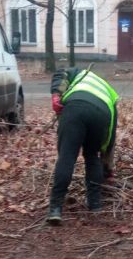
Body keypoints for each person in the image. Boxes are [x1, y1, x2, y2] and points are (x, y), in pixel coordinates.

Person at [46, 67, 119, 225]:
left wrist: (56, 94)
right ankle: (94, 205)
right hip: (101, 115)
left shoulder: (80, 73)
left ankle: (55, 209)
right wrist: (107, 168)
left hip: (74, 109)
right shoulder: (109, 93)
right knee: (92, 156)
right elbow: (111, 135)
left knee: (67, 156)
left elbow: (60, 72)